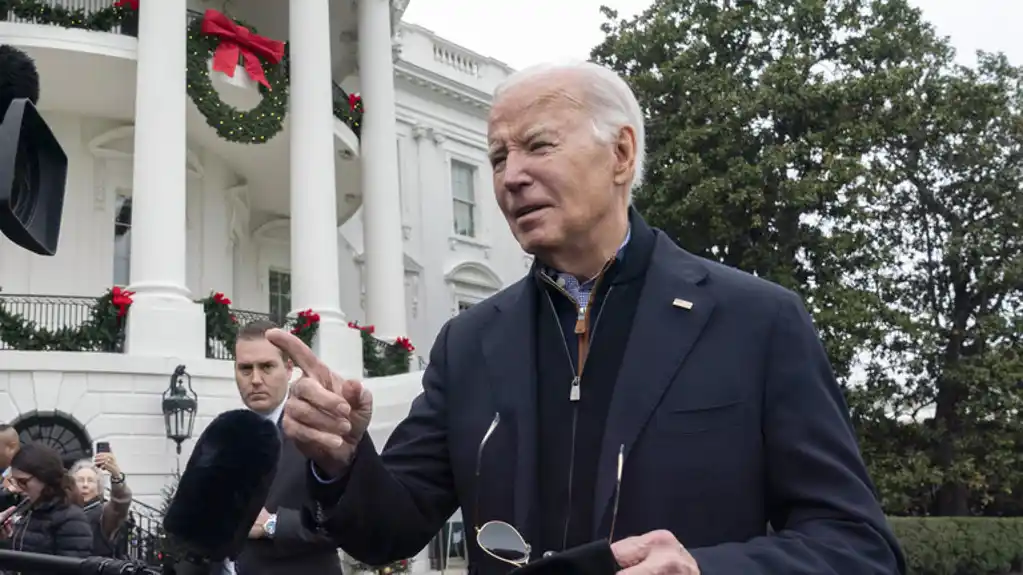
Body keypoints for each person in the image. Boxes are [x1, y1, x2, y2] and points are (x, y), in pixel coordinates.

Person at [275, 60, 905, 575]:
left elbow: (856, 546)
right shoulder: (468, 342)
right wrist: (343, 459)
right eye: (496, 158)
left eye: (538, 146)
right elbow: (390, 531)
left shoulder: (756, 321)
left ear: (621, 155)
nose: (511, 177)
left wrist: (705, 570)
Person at [226, 320, 343, 575]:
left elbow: (345, 521)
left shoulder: (318, 430)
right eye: (245, 369)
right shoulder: (229, 437)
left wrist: (272, 526)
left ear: (289, 369)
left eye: (266, 366)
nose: (255, 379)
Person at [1, 443, 92, 571]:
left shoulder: (71, 519)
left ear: (44, 477)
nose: (17, 488)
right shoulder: (28, 510)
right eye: (14, 481)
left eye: (23, 482)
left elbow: (71, 569)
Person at [70, 450, 133, 557]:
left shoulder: (103, 514)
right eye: (80, 480)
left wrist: (117, 477)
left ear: (99, 488)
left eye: (90, 481)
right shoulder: (64, 510)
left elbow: (119, 506)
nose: (85, 485)